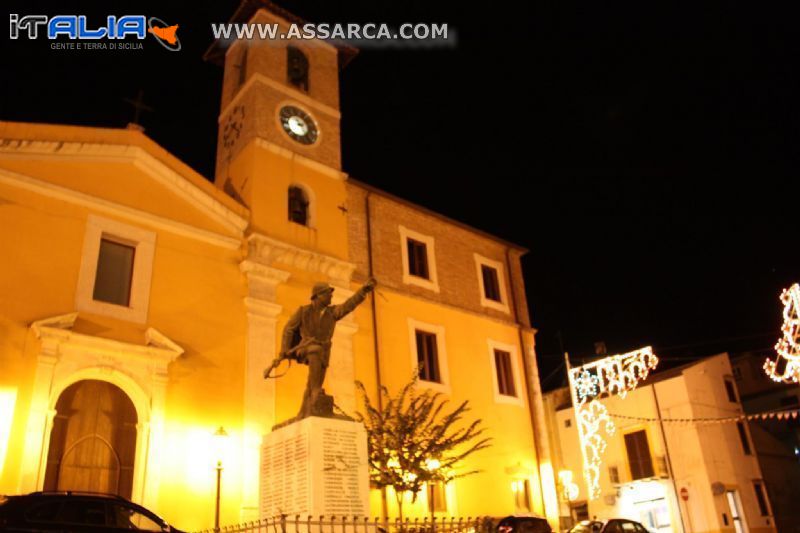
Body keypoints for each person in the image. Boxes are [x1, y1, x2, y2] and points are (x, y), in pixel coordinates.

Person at [275, 277, 375, 419]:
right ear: (318, 296)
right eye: (328, 294)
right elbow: (288, 329)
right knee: (315, 352)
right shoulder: (303, 311)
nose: (331, 296)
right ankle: (316, 391)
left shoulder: (332, 313)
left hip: (324, 352)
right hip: (305, 348)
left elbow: (348, 305)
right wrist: (284, 349)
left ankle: (304, 411)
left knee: (313, 382)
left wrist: (363, 291)